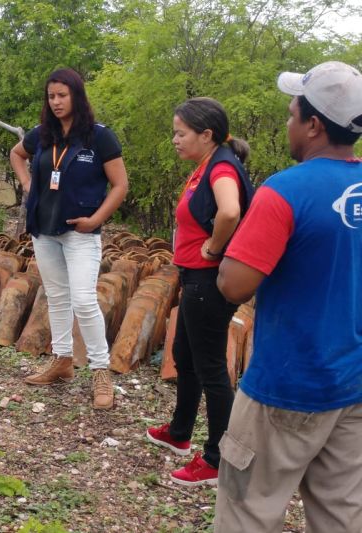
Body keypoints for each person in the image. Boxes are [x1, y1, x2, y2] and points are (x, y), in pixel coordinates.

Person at [214, 61, 362, 531]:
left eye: (292, 112)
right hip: (353, 384)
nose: (287, 122)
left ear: (314, 124)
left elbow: (234, 285)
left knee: (247, 512)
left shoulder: (286, 190)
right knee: (343, 515)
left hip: (286, 385)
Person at [146, 97, 254, 486]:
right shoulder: (207, 164)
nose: (175, 140)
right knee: (184, 355)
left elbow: (229, 212)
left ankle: (215, 460)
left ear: (206, 135)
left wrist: (212, 247)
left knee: (210, 368)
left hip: (209, 280)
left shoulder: (222, 166)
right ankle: (179, 433)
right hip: (195, 276)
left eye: (181, 133)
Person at [9, 68, 128, 410]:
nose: (56, 102)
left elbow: (120, 185)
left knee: (84, 301)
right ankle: (62, 361)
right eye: (51, 96)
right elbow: (17, 154)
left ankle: (100, 371)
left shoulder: (99, 137)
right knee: (58, 297)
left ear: (76, 95)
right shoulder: (42, 134)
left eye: (62, 95)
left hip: (81, 233)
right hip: (44, 230)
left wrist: (96, 220)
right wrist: (28, 184)